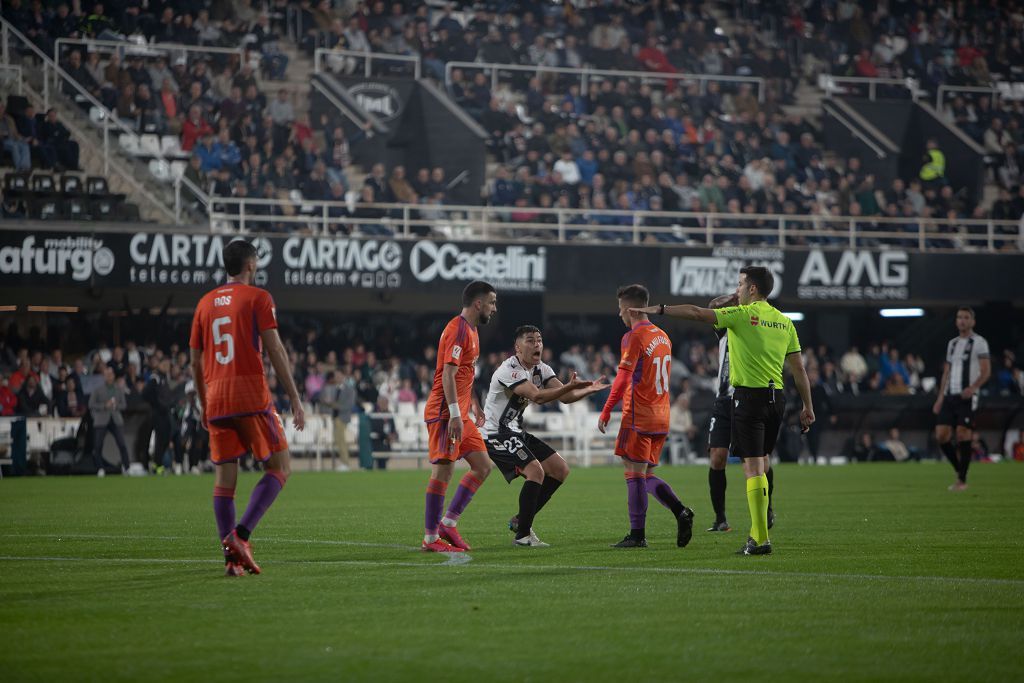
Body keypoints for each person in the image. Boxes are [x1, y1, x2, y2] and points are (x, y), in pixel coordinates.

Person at [631, 267, 815, 555]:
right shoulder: (784, 323)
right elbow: (799, 369)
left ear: (753, 289)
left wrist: (661, 309)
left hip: (748, 398)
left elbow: (696, 313)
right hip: (776, 399)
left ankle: (760, 538)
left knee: (753, 467)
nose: (738, 290)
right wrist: (808, 407)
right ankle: (750, 528)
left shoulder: (742, 316)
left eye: (741, 284)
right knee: (760, 464)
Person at [189, 239, 305, 576]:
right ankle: (240, 537)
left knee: (225, 480)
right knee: (280, 467)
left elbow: (195, 361)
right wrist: (295, 397)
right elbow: (276, 350)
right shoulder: (258, 298)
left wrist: (202, 401)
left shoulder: (204, 304)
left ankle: (230, 561)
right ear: (251, 264)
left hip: (216, 399)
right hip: (250, 396)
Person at [483, 325, 607, 547]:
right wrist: (569, 387)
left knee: (560, 470)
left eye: (539, 340)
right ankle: (522, 535)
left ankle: (521, 520)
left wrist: (586, 391)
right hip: (495, 434)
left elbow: (566, 397)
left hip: (515, 431)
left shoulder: (541, 368)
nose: (537, 344)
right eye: (530, 340)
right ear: (518, 348)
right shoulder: (509, 369)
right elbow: (538, 397)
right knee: (535, 471)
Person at [599, 284, 695, 549]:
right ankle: (680, 512)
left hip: (638, 414)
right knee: (646, 473)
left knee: (633, 473)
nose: (619, 315)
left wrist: (607, 409)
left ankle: (637, 534)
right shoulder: (663, 336)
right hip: (661, 415)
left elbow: (622, 378)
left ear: (630, 309)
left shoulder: (633, 336)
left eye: (620, 309)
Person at [421, 281, 497, 553]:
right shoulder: (457, 330)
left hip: (460, 412)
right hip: (445, 413)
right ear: (478, 304)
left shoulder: (472, 331)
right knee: (444, 471)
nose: (494, 308)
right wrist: (454, 414)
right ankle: (430, 539)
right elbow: (449, 376)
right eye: (492, 302)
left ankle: (448, 523)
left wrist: (474, 404)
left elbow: (465, 374)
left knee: (483, 466)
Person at [704, 293, 776, 533]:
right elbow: (712, 307)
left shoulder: (755, 325)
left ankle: (767, 508)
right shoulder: (727, 323)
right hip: (723, 400)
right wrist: (734, 297)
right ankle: (720, 519)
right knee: (717, 457)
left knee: (756, 461)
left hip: (746, 397)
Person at [933, 307, 991, 491]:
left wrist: (973, 388)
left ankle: (961, 481)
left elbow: (986, 370)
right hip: (950, 395)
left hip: (967, 396)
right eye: (959, 317)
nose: (962, 320)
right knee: (941, 435)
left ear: (973, 321)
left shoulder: (979, 343)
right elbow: (947, 372)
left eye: (966, 317)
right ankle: (960, 469)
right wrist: (940, 397)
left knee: (962, 434)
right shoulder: (952, 344)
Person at [88, 366, 130, 476]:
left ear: (114, 376)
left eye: (110, 374)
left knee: (122, 444)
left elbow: (124, 405)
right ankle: (100, 468)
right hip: (101, 420)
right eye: (106, 375)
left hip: (115, 419)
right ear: (104, 377)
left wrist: (115, 405)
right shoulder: (98, 390)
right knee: (98, 445)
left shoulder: (119, 389)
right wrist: (104, 406)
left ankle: (126, 466)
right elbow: (91, 404)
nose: (109, 377)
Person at [320, 369, 356, 471]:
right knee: (338, 440)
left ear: (343, 376)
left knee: (341, 440)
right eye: (335, 376)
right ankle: (344, 462)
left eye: (339, 375)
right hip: (335, 418)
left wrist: (334, 405)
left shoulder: (349, 389)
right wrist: (329, 403)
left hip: (342, 418)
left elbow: (349, 405)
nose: (337, 378)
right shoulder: (335, 388)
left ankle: (345, 463)